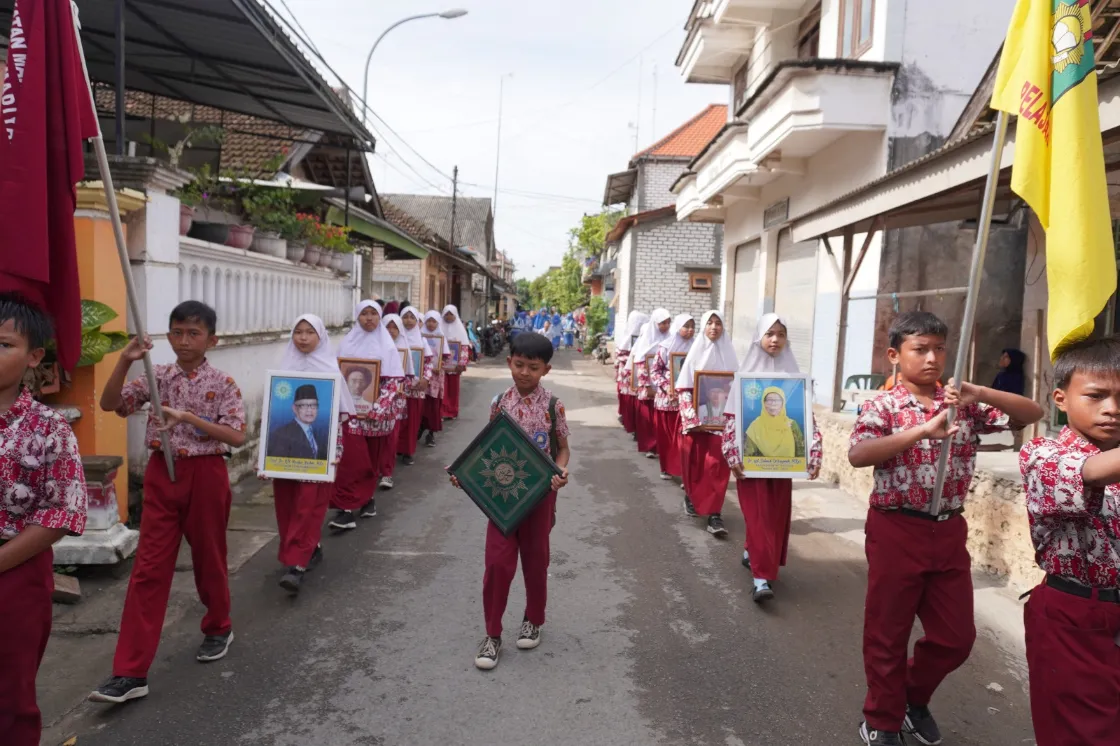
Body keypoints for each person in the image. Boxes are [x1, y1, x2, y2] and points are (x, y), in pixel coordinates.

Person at [847, 311, 1043, 746]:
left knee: (956, 637)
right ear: (895, 355)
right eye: (920, 349)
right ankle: (882, 718)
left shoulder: (962, 404)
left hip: (948, 529)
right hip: (896, 527)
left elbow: (1034, 412)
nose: (932, 358)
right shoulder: (882, 404)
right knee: (888, 631)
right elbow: (860, 455)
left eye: (939, 348)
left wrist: (979, 391)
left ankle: (912, 698)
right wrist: (921, 431)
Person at [91, 301, 246, 704]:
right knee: (148, 569)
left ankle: (218, 626)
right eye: (176, 332)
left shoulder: (224, 382)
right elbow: (111, 404)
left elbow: (236, 437)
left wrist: (189, 419)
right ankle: (130, 671)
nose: (183, 341)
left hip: (206, 474)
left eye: (193, 333)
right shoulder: (155, 376)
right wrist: (125, 361)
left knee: (209, 557)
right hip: (163, 473)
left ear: (212, 339)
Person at [1017, 336, 1120, 744]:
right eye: (1096, 396)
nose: (1112, 409)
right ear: (1061, 398)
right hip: (1075, 616)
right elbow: (1090, 472)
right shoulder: (1042, 455)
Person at [449, 332, 570, 671]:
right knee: (497, 565)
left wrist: (560, 473)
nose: (525, 373)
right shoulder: (499, 402)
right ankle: (492, 635)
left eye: (533, 367)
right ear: (509, 363)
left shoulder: (553, 405)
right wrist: (466, 475)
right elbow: (486, 448)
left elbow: (562, 449)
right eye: (519, 365)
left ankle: (533, 619)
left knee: (535, 562)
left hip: (539, 497)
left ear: (545, 369)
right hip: (500, 499)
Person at [0, 294, 87, 744]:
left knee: (9, 700)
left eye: (3, 345)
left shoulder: (47, 428)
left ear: (34, 356)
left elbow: (59, 513)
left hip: (15, 575)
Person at [722, 314, 821, 603]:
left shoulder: (794, 380)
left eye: (781, 334)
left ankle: (752, 552)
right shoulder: (745, 379)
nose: (775, 339)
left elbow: (808, 421)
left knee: (774, 518)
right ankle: (760, 578)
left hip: (782, 468)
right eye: (769, 334)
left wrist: (813, 455)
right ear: (759, 338)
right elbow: (731, 421)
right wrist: (732, 455)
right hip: (750, 468)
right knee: (759, 516)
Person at [266, 315, 353, 595]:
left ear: (321, 337)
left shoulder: (330, 370)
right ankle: (308, 547)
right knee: (288, 506)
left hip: (319, 459)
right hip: (286, 460)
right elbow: (270, 419)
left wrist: (336, 452)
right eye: (298, 332)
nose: (303, 338)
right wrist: (264, 459)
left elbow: (339, 417)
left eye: (309, 332)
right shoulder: (284, 369)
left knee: (309, 506)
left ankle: (296, 566)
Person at [329, 301, 405, 531]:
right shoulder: (346, 343)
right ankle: (346, 510)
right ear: (357, 317)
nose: (369, 318)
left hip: (375, 418)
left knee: (370, 460)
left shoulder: (388, 346)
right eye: (364, 314)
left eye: (374, 314)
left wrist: (377, 409)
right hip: (350, 416)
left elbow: (394, 382)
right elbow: (335, 376)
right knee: (350, 461)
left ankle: (367, 499)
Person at [676, 311, 738, 536]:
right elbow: (683, 390)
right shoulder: (694, 355)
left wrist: (729, 421)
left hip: (720, 426)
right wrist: (694, 420)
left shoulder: (730, 356)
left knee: (718, 468)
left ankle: (714, 514)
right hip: (697, 423)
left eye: (718, 323)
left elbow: (734, 391)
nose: (714, 327)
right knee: (698, 466)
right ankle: (692, 496)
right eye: (710, 323)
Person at [651, 313, 695, 480]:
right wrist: (665, 387)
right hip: (666, 399)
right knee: (666, 437)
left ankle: (683, 471)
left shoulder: (696, 347)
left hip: (688, 401)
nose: (690, 330)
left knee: (682, 438)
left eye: (692, 327)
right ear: (678, 327)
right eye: (686, 326)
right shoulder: (665, 347)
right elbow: (655, 371)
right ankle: (667, 468)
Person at [379, 313, 415, 489]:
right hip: (372, 400)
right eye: (388, 326)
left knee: (390, 436)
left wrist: (400, 388)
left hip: (396, 401)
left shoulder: (403, 349)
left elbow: (408, 376)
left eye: (395, 327)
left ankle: (387, 472)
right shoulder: (374, 346)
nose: (391, 331)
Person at [631, 309, 672, 458]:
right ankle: (649, 446)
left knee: (659, 420)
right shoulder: (646, 341)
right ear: (655, 324)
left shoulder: (670, 340)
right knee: (648, 419)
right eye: (662, 323)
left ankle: (659, 446)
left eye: (668, 323)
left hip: (663, 388)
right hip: (648, 388)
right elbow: (641, 365)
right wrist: (647, 386)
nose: (666, 326)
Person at [397, 307, 433, 466]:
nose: (409, 320)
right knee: (398, 420)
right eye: (405, 317)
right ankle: (395, 448)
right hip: (398, 389)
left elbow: (428, 363)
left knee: (412, 421)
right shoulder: (394, 339)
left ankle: (407, 451)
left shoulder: (422, 341)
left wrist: (426, 378)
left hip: (416, 388)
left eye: (412, 317)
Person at [420, 311, 454, 447]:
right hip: (422, 376)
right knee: (422, 403)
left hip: (436, 376)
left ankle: (431, 434)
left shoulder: (441, 338)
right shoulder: (419, 336)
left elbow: (446, 356)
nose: (431, 324)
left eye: (434, 321)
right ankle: (420, 427)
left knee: (433, 404)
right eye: (428, 321)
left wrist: (439, 365)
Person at [267, 384, 330, 459]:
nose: (309, 410)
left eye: (313, 405)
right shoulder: (281, 434)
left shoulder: (320, 435)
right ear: (294, 408)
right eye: (303, 405)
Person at [615, 311, 649, 435]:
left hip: (636, 374)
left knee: (634, 401)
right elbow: (620, 356)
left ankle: (633, 424)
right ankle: (628, 421)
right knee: (629, 400)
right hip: (627, 375)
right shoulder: (626, 338)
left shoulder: (644, 337)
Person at [440, 305, 471, 421]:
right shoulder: (440, 327)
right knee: (442, 389)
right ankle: (442, 411)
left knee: (453, 389)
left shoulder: (460, 328)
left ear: (455, 315)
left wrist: (462, 363)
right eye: (446, 314)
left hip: (454, 365)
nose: (448, 317)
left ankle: (452, 411)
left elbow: (464, 347)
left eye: (451, 314)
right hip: (442, 365)